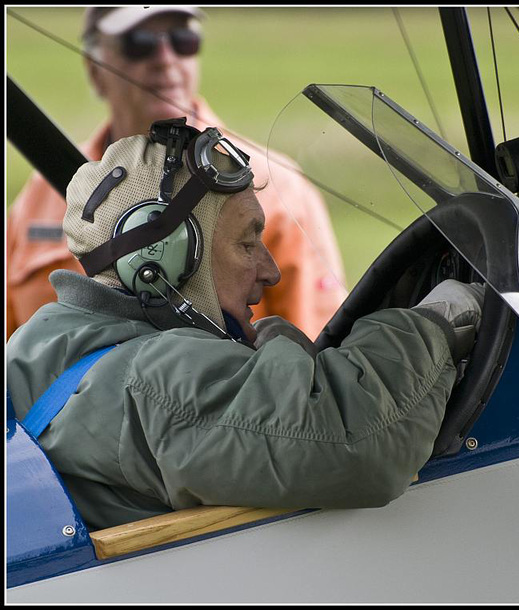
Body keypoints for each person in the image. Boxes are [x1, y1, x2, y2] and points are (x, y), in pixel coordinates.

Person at [7, 127, 485, 531]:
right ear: (164, 258)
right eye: (247, 243)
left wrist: (285, 370)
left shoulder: (40, 342)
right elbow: (355, 440)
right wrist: (439, 322)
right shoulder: (156, 376)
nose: (270, 270)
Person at [6, 6, 347, 341]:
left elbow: (314, 350)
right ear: (94, 69)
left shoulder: (278, 186)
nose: (165, 58)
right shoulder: (40, 195)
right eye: (139, 42)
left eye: (183, 39)